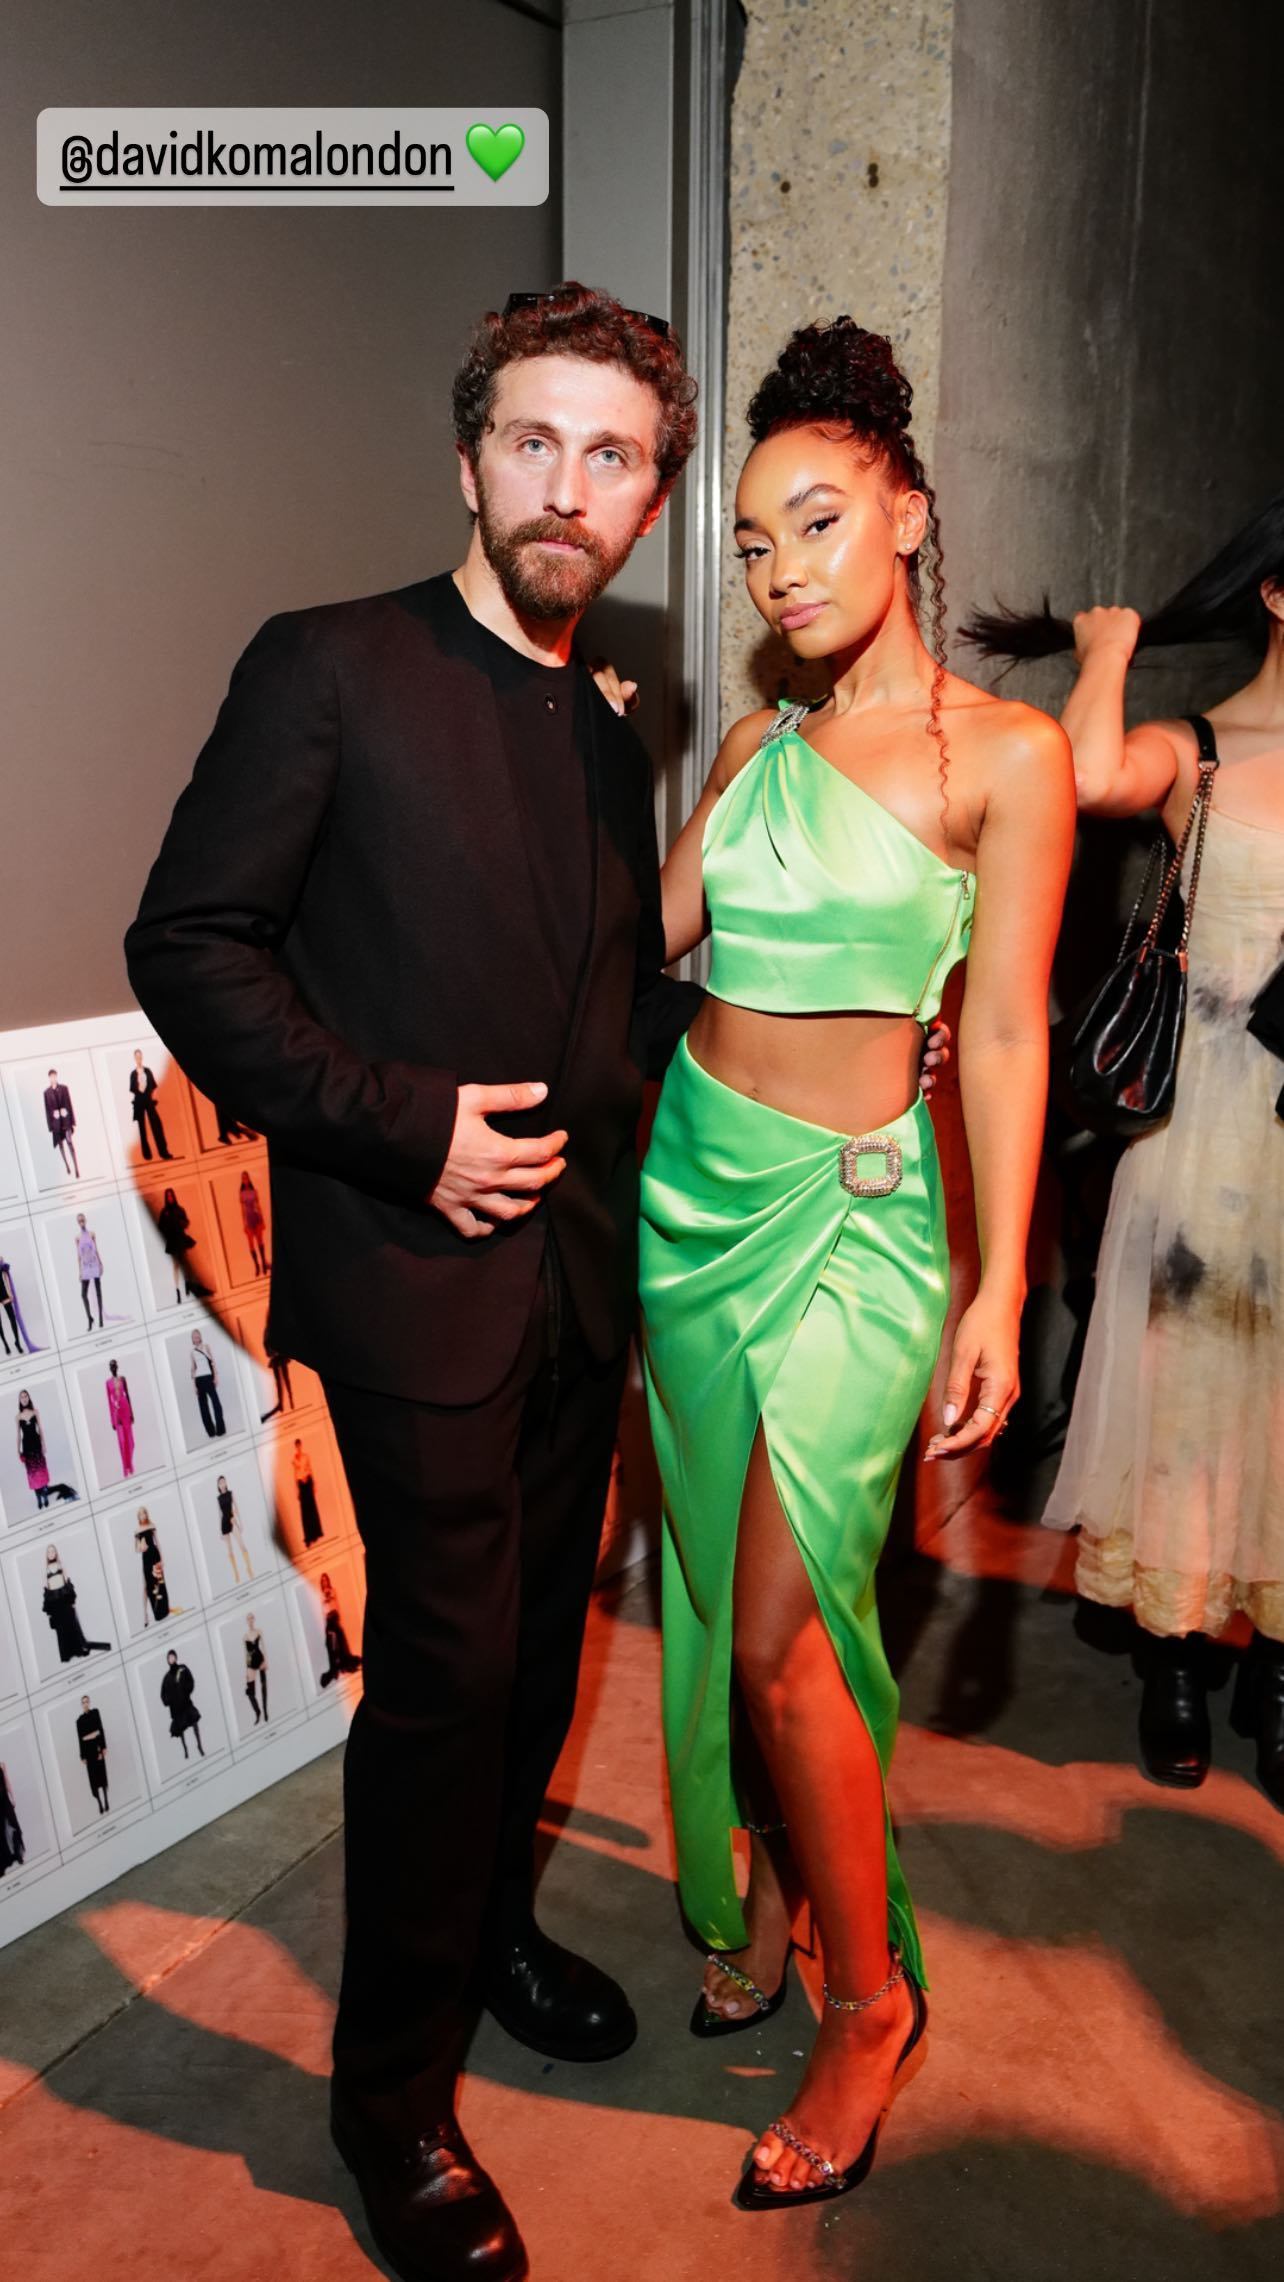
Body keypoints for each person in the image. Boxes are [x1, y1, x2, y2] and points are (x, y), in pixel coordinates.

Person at [124, 281, 943, 2282]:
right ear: (468, 460)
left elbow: (608, 1008)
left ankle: (490, 1933)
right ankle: (389, 2103)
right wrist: (400, 1122)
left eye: (615, 457)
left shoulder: (605, 731)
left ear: (652, 501)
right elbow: (191, 942)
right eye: (534, 442)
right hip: (416, 1280)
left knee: (543, 1671)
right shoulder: (327, 664)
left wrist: (835, 1043)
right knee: (444, 1686)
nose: (569, 486)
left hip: (592, 1282)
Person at [639, 318, 1074, 2209]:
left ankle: (869, 2004)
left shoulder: (1007, 753)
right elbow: (648, 936)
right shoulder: (757, 745)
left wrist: (997, 1283)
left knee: (781, 1627)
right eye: (751, 543)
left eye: (815, 521)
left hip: (857, 1219)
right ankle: (773, 1892)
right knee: (717, 1593)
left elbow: (1006, 1030)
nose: (781, 568)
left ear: (904, 512)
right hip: (690, 1199)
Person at [967, 491, 1284, 1808]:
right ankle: (1174, 1659)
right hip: (1202, 1131)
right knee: (1185, 1394)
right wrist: (1107, 653)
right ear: (1276, 593)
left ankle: (1276, 1667)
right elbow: (1088, 776)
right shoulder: (1198, 752)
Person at [42, 1544, 110, 1662]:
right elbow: (46, 1587)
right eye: (49, 1552)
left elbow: (67, 1580)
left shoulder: (61, 1565)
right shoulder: (46, 1570)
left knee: (71, 1624)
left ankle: (77, 1649)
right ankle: (66, 1654)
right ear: (47, 1555)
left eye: (53, 1551)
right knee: (61, 1628)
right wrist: (49, 1606)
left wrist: (71, 1599)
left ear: (56, 1553)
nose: (51, 1553)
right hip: (55, 1601)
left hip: (64, 1598)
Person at [156, 1187, 210, 1302]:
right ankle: (180, 1292)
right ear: (166, 1198)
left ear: (174, 1196)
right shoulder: (164, 1212)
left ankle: (191, 1289)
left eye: (171, 1195)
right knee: (177, 1267)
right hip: (172, 1242)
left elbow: (186, 1222)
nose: (170, 1198)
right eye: (168, 1196)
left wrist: (182, 1223)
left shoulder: (180, 1210)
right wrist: (168, 1229)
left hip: (181, 1240)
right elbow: (160, 1227)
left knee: (186, 1265)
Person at [319, 1570, 363, 1687]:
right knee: (330, 1642)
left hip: (334, 1616)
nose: (324, 1582)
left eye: (325, 1580)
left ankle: (342, 1664)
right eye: (323, 1581)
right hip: (328, 1618)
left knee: (338, 1640)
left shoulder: (332, 1591)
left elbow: (335, 1603)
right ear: (321, 1583)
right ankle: (336, 1666)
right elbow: (324, 1609)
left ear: (328, 1581)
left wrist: (330, 1599)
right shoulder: (321, 1595)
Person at [129, 1048, 173, 1161]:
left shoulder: (147, 1071)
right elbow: (133, 1088)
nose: (139, 1059)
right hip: (139, 1103)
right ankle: (146, 1154)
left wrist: (148, 1094)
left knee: (156, 1126)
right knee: (142, 1129)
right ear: (135, 1058)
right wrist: (139, 1087)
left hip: (148, 1101)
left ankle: (163, 1152)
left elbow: (153, 1085)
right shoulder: (133, 1074)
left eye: (140, 1056)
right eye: (137, 1057)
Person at [160, 1650, 204, 1759]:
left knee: (194, 1723)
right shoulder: (166, 1678)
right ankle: (185, 1750)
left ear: (176, 1657)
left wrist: (186, 1690)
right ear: (167, 1660)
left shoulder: (183, 1668)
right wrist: (168, 1701)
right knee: (181, 1730)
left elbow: (191, 1681)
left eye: (172, 1657)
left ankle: (199, 1745)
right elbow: (163, 1694)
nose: (171, 1659)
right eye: (169, 1658)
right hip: (176, 1709)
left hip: (186, 1703)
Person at [134, 1509, 173, 1625]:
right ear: (138, 1516)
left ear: (146, 1514)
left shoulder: (152, 1525)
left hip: (155, 1556)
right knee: (146, 1586)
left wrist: (162, 1558)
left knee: (160, 1582)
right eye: (140, 1514)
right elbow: (136, 1549)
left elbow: (158, 1542)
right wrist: (142, 1547)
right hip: (146, 1558)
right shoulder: (137, 1530)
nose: (143, 1515)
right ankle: (145, 1614)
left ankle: (164, 1610)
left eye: (144, 1513)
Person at [17, 1390, 50, 1511]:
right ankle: (38, 1498)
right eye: (22, 1397)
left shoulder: (35, 1412)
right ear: (20, 1400)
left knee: (41, 1470)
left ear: (28, 1397)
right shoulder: (18, 1417)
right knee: (32, 1474)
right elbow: (18, 1435)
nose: (24, 1398)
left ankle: (45, 1494)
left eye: (25, 1396)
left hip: (36, 1445)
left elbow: (40, 1428)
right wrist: (18, 1451)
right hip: (27, 1448)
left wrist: (44, 1444)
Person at [215, 1474, 253, 1582]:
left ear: (226, 1483)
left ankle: (249, 1568)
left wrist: (240, 1523)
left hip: (232, 1520)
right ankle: (236, 1573)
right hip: (224, 1523)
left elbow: (236, 1508)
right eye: (220, 1482)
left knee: (242, 1545)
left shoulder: (231, 1493)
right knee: (230, 1550)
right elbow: (219, 1514)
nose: (222, 1484)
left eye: (224, 1481)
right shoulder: (218, 1498)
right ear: (218, 1485)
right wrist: (220, 1531)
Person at [0, 1253, 38, 1356]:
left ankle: (17, 1342)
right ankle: (5, 1344)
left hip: (3, 1292)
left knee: (12, 1318)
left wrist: (9, 1292)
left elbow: (5, 1277)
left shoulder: (0, 1258)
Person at [189, 1329, 225, 1438]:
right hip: (199, 1380)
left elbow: (213, 1362)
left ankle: (220, 1430)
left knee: (216, 1403)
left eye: (197, 1335)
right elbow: (193, 1369)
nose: (196, 1337)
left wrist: (216, 1376)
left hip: (208, 1378)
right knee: (203, 1407)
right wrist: (194, 1386)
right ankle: (211, 1432)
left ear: (200, 1336)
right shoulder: (192, 1352)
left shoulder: (206, 1347)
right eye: (193, 1336)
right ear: (192, 1339)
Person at [76, 1696, 109, 1813]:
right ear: (81, 1704)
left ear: (89, 1702)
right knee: (93, 1779)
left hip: (97, 1748)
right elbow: (81, 1739)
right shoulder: (79, 1721)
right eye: (83, 1702)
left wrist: (104, 1746)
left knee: (102, 1775)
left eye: (87, 1702)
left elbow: (100, 1729)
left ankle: (106, 1800)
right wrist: (82, 1756)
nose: (85, 1704)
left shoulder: (95, 1713)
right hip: (88, 1752)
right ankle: (99, 1803)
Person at [43, 1070, 78, 1178]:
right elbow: (47, 1110)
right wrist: (52, 1117)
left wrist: (67, 1113)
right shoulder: (46, 1093)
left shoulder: (64, 1088)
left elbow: (69, 1104)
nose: (53, 1078)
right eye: (51, 1077)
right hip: (56, 1123)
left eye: (54, 1076)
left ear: (56, 1076)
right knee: (61, 1145)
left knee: (69, 1143)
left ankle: (76, 1168)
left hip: (65, 1121)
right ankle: (67, 1165)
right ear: (49, 1078)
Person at [105, 1359, 135, 1477]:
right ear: (110, 1368)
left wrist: (132, 1413)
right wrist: (112, 1420)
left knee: (130, 1440)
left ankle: (130, 1465)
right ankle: (125, 1468)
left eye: (114, 1366)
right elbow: (109, 1401)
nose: (113, 1368)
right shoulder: (108, 1383)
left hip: (126, 1409)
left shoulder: (123, 1379)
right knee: (122, 1441)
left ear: (117, 1367)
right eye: (111, 1366)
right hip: (116, 1413)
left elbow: (127, 1395)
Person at [74, 1215, 104, 1332]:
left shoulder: (92, 1234)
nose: (81, 1222)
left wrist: (100, 1263)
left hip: (94, 1264)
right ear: (78, 1223)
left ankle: (100, 1318)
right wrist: (80, 1271)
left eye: (82, 1220)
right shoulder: (77, 1238)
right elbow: (78, 1256)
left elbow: (96, 1249)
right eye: (79, 1221)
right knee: (83, 1294)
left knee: (98, 1292)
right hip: (85, 1266)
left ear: (85, 1220)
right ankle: (90, 1318)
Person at [293, 1437, 323, 1546]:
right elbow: (295, 1475)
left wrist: (314, 1484)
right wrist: (297, 1490)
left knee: (312, 1507)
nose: (298, 1447)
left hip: (308, 1481)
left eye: (299, 1445)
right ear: (295, 1447)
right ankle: (308, 1537)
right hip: (301, 1484)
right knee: (304, 1511)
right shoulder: (294, 1459)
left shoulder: (306, 1456)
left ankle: (316, 1533)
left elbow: (310, 1469)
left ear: (301, 1445)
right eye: (297, 1446)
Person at [239, 1171, 269, 1275]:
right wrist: (244, 1224)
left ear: (249, 1179)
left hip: (256, 1217)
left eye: (246, 1178)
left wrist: (263, 1220)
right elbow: (242, 1209)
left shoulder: (254, 1191)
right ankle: (257, 1265)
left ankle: (264, 1264)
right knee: (251, 1244)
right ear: (242, 1180)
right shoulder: (241, 1193)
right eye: (243, 1178)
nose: (245, 1180)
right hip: (248, 1218)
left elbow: (258, 1206)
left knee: (260, 1241)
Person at [0, 1761, 24, 1878]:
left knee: (13, 1825)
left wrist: (12, 1797)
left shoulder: (1, 1765)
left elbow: (7, 1782)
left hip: (4, 1800)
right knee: (1, 1832)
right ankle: (4, 1861)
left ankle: (17, 1853)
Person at [244, 1617, 269, 1723]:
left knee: (263, 1686)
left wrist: (265, 1661)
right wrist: (246, 1670)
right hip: (251, 1663)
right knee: (250, 1691)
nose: (250, 1620)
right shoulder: (245, 1636)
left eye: (251, 1618)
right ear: (247, 1621)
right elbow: (246, 1653)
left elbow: (263, 1646)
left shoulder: (259, 1631)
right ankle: (258, 1712)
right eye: (248, 1619)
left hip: (260, 1659)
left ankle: (265, 1710)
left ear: (254, 1619)